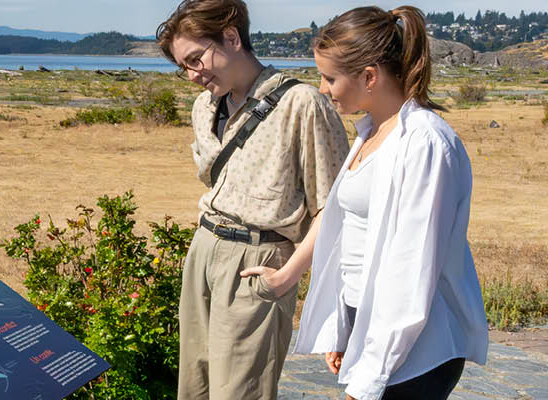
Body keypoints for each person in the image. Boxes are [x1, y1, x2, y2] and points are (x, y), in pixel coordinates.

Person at [239, 6, 489, 400]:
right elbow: (344, 227)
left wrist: (369, 376)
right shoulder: (371, 132)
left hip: (418, 352)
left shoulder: (423, 144)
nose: (322, 89)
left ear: (369, 76)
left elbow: (410, 273)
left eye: (330, 77)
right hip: (371, 330)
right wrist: (344, 328)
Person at [155, 1, 350, 398]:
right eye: (183, 67)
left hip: (258, 260)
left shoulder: (302, 104)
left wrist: (286, 276)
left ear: (231, 36)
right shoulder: (204, 107)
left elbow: (332, 207)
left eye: (196, 59)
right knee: (194, 389)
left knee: (241, 394)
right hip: (204, 250)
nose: (192, 75)